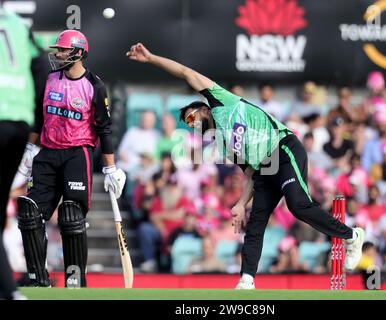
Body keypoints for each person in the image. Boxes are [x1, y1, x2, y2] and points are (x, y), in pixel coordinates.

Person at [126, 42, 365, 289]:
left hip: (282, 147)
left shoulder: (221, 100)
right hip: (263, 169)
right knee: (255, 222)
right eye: (188, 124)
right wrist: (240, 204)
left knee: (298, 205)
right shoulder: (223, 144)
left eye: (192, 117)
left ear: (203, 110)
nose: (192, 123)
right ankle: (247, 279)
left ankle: (352, 235)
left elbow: (186, 72)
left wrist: (152, 58)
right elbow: (250, 172)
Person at [17, 30, 126, 287]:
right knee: (30, 214)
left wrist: (110, 168)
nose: (58, 54)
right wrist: (30, 149)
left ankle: (75, 281)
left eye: (63, 50)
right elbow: (39, 116)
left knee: (72, 215)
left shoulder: (95, 86)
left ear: (78, 53)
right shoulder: (49, 79)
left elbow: (104, 128)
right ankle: (38, 280)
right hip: (48, 151)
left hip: (78, 154)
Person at [0, 8, 45, 300]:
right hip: (19, 124)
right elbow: (41, 68)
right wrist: (36, 127)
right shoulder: (17, 25)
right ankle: (10, 292)